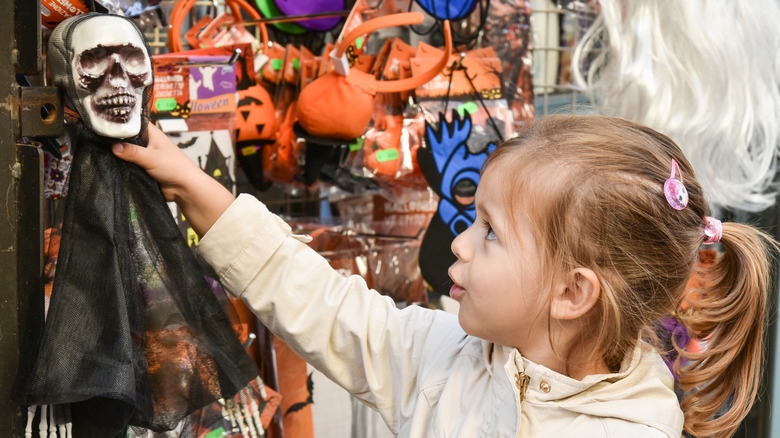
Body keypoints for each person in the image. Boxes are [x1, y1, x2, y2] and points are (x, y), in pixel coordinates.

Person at [112, 114, 776, 438]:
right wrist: (206, 198)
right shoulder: (455, 358)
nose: (458, 242)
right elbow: (336, 313)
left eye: (489, 230)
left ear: (573, 292)